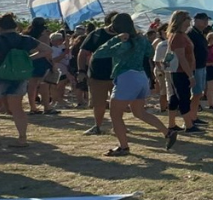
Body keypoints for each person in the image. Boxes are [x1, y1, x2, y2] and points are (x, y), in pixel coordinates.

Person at [90, 13, 177, 156]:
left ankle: (123, 147)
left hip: (126, 77)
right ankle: (167, 132)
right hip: (141, 76)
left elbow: (98, 54)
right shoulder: (141, 39)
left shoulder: (122, 42)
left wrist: (115, 39)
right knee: (139, 112)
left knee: (115, 115)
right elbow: (150, 52)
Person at [0, 13, 52, 148]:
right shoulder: (25, 39)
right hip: (18, 76)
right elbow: (47, 50)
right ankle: (22, 138)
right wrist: (28, 59)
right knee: (17, 109)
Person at [78, 12, 119, 136]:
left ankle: (118, 126)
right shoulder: (97, 34)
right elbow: (82, 53)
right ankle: (97, 126)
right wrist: (81, 71)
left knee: (117, 103)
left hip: (118, 75)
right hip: (97, 75)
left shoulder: (124, 34)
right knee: (98, 103)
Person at [164, 11, 197, 133]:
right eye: (188, 18)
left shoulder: (181, 35)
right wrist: (190, 76)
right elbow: (181, 57)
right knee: (184, 96)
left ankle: (171, 124)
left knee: (175, 97)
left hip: (179, 71)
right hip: (180, 71)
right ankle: (189, 125)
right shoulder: (178, 36)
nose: (190, 21)